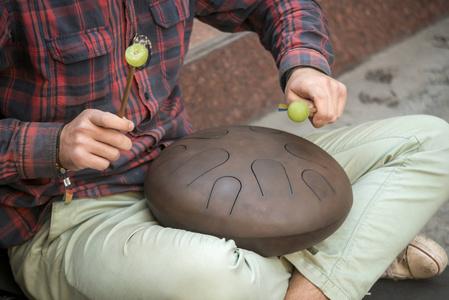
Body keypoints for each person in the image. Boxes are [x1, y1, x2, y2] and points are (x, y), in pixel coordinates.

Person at [1, 0, 448, 299]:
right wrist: (50, 145)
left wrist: (305, 62)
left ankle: (327, 269)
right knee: (218, 276)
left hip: (193, 170)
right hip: (67, 215)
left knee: (432, 142)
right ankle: (355, 251)